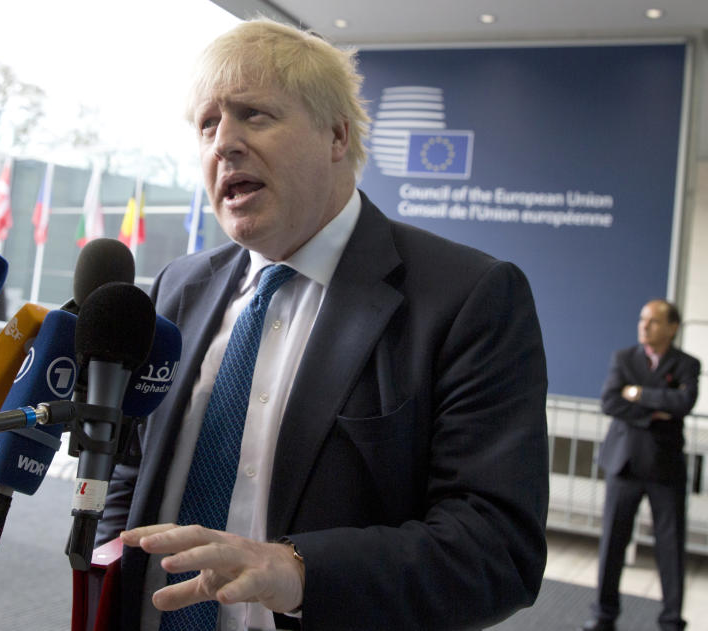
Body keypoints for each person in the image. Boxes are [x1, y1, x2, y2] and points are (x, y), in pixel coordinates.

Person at [99, 19, 549, 631]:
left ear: (336, 136)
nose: (223, 142)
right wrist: (105, 582)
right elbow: (133, 463)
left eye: (253, 114)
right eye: (208, 124)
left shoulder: (467, 297)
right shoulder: (180, 286)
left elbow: (496, 550)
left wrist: (300, 570)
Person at [583, 300, 700, 631]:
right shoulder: (624, 358)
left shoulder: (687, 363)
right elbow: (610, 401)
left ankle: (671, 620)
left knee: (670, 548)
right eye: (642, 320)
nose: (644, 326)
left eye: (653, 321)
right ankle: (603, 616)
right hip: (625, 464)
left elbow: (684, 403)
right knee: (612, 545)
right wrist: (655, 409)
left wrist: (637, 393)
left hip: (666, 469)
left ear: (672, 327)